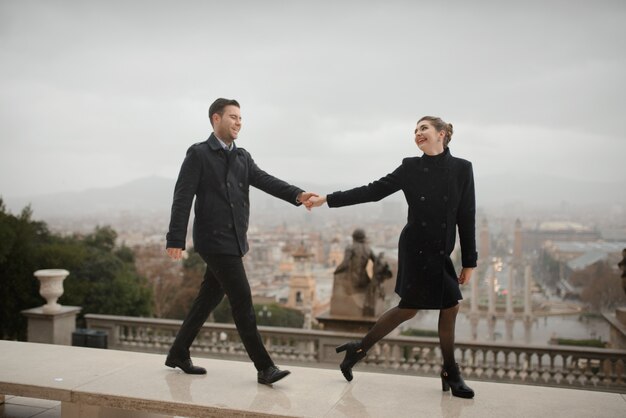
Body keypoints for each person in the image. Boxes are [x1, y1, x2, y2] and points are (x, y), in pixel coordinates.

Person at [307, 116, 477, 398]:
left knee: (439, 306)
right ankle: (451, 371)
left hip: (440, 251)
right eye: (415, 130)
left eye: (424, 128)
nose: (417, 133)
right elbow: (373, 191)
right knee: (429, 306)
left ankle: (358, 349)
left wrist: (469, 261)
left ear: (442, 133)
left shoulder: (462, 169)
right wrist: (327, 198)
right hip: (415, 248)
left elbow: (466, 216)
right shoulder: (410, 167)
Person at [165, 98, 316, 385]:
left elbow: (265, 180)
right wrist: (176, 238)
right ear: (215, 119)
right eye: (232, 117)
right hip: (213, 241)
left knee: (207, 299)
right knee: (243, 301)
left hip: (234, 241)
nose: (238, 122)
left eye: (240, 118)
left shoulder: (242, 157)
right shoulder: (199, 154)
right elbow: (182, 197)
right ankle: (264, 367)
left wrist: (298, 195)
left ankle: (178, 352)